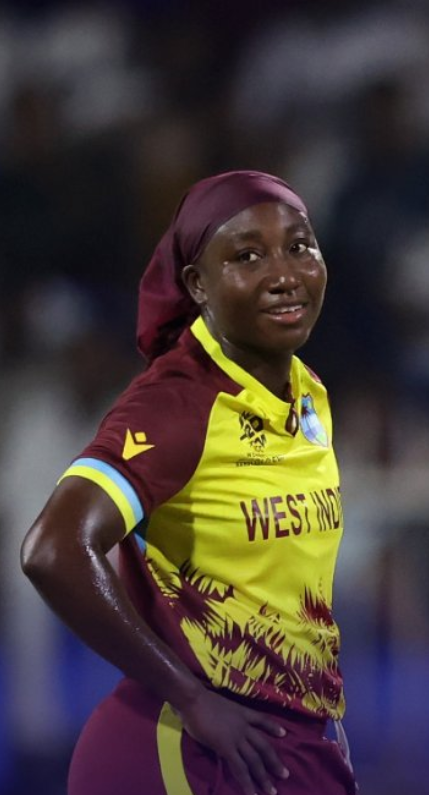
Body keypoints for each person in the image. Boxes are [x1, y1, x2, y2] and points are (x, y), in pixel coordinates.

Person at [20, 170, 356, 794]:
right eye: (247, 256)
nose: (285, 273)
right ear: (197, 285)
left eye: (300, 246)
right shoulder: (179, 404)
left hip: (285, 742)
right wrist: (192, 699)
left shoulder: (307, 393)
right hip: (185, 750)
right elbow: (53, 550)